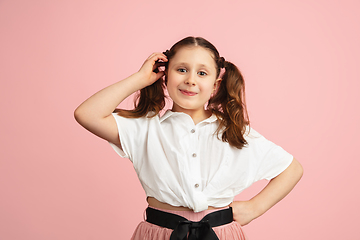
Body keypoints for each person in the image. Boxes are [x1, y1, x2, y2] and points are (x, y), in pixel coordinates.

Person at [74, 36, 303, 240]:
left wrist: (255, 207)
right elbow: (86, 114)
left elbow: (291, 169)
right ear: (164, 75)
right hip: (160, 233)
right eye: (181, 70)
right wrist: (140, 78)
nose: (191, 80)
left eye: (201, 73)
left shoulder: (233, 131)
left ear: (215, 85)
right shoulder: (144, 128)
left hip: (221, 234)